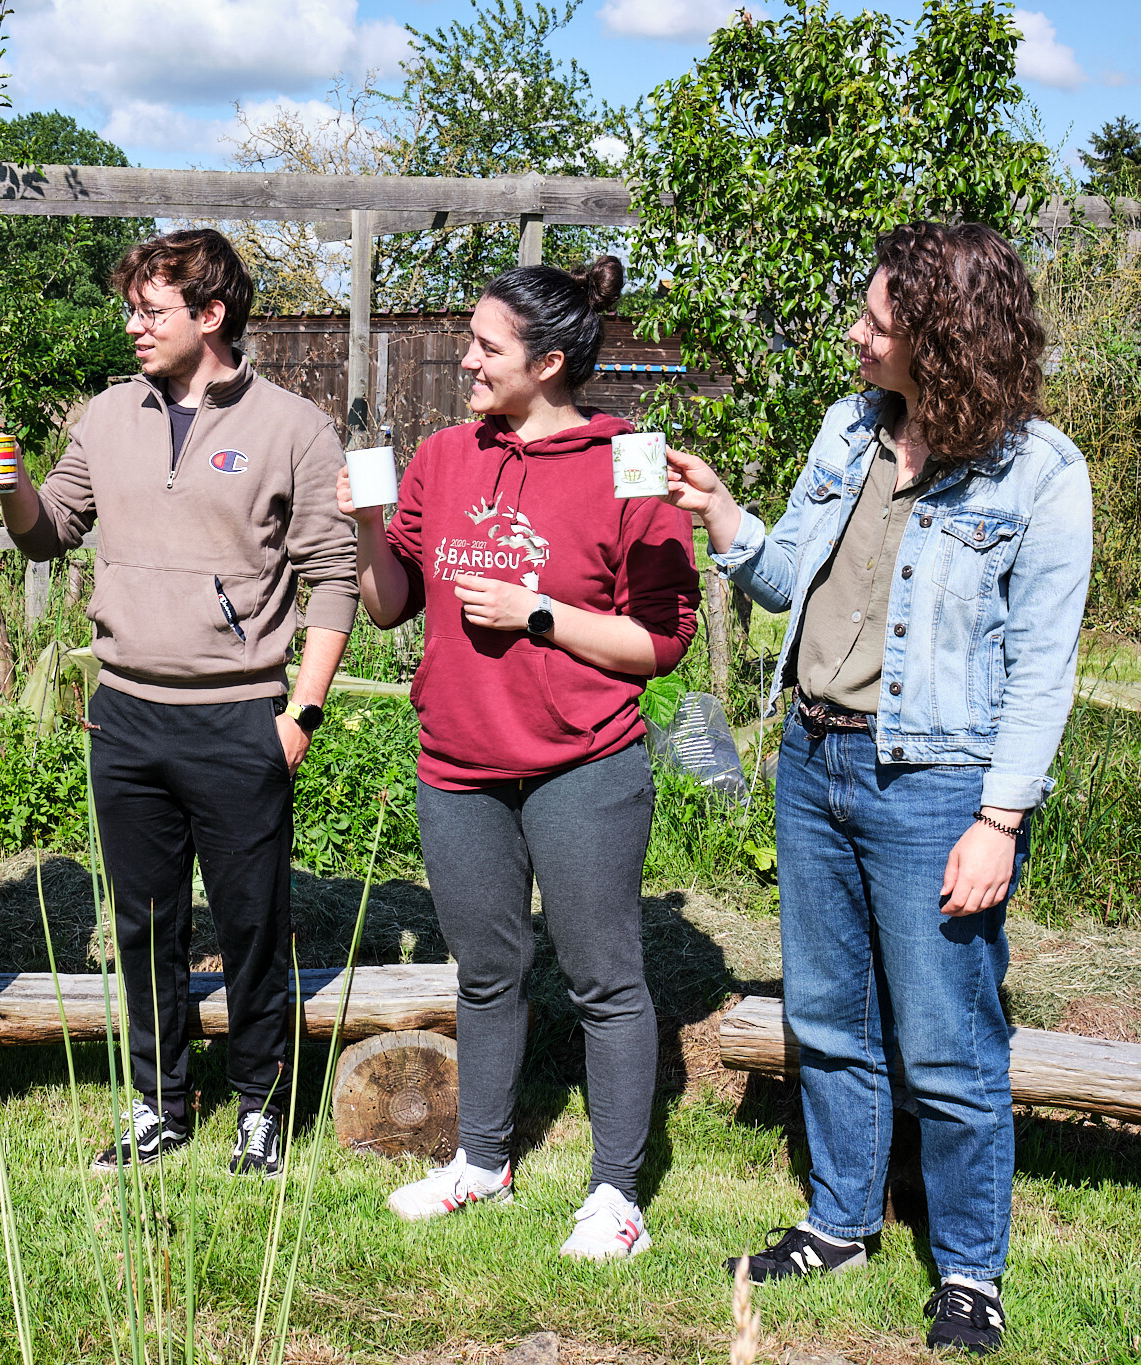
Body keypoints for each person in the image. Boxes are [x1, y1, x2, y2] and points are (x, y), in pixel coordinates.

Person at [674, 223, 1090, 1355]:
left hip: (936, 786)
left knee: (948, 1041)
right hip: (812, 763)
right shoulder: (845, 430)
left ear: (946, 343)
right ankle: (840, 1222)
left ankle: (967, 1271)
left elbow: (1041, 671)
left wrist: (998, 820)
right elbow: (778, 584)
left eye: (875, 324)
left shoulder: (1039, 476)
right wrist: (720, 515)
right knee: (826, 1015)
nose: (853, 337)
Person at [340, 258, 699, 1258]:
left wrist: (539, 612)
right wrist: (367, 531)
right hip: (457, 763)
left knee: (603, 982)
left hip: (581, 766)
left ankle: (614, 1196)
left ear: (547, 361)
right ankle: (482, 1164)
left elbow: (660, 642)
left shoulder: (627, 458)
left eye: (483, 346)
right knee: (486, 971)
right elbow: (386, 606)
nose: (464, 359)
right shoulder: (445, 457)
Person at [0, 228, 358, 1178]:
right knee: (144, 923)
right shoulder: (105, 416)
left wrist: (301, 714)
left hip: (241, 715)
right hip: (126, 714)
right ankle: (158, 1103)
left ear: (211, 315)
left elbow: (333, 576)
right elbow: (51, 533)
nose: (132, 327)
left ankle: (259, 1108)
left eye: (151, 311)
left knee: (250, 921)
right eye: (132, 308)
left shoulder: (293, 428)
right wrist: (8, 485)